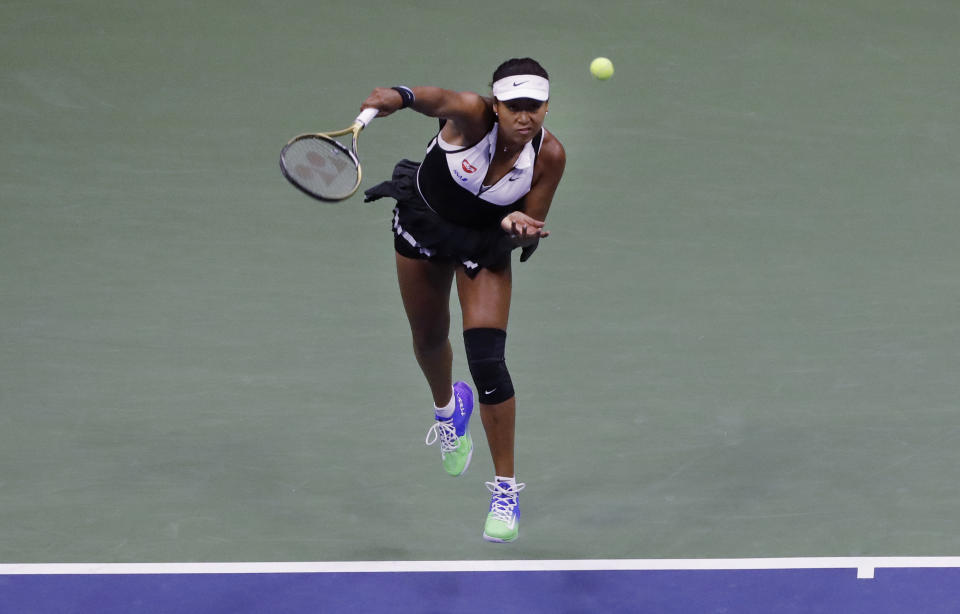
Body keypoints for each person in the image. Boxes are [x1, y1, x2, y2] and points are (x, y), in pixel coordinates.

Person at [361, 58, 566, 543]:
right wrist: (401, 94)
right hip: (425, 224)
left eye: (533, 107)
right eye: (513, 106)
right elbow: (440, 98)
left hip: (483, 244)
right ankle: (448, 410)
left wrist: (518, 230)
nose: (523, 117)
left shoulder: (550, 156)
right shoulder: (473, 117)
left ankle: (505, 490)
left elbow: (527, 227)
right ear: (495, 105)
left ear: (545, 107)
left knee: (488, 362)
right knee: (429, 338)